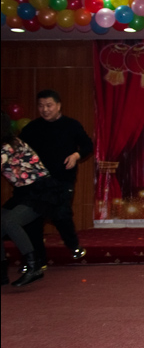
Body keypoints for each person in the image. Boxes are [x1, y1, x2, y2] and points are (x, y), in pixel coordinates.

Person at [19, 89, 93, 270]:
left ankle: (73, 245)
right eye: (41, 106)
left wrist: (76, 155)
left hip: (62, 180)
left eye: (49, 105)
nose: (45, 109)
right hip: (37, 182)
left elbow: (87, 145)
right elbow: (19, 150)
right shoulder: (32, 128)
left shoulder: (71, 125)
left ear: (58, 105)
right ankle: (38, 261)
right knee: (33, 221)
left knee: (61, 214)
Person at [1, 112, 65, 286]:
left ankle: (34, 266)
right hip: (24, 192)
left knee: (10, 222)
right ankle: (2, 273)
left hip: (40, 191)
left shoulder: (8, 145)